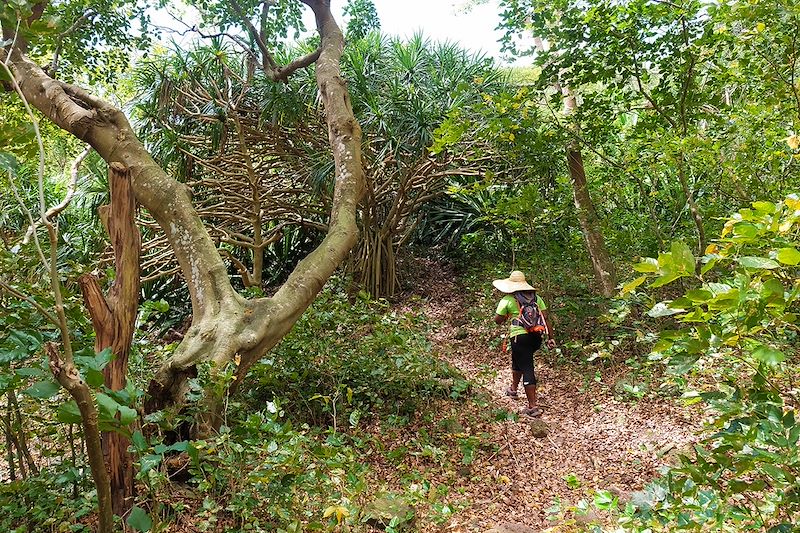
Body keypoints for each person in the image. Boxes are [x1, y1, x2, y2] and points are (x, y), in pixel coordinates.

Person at [493, 270, 556, 418]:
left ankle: (533, 406)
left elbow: (497, 320)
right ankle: (513, 389)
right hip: (536, 337)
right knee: (518, 360)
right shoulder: (536, 298)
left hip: (519, 337)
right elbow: (546, 318)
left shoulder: (508, 299)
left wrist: (509, 314)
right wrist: (550, 338)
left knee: (526, 365)